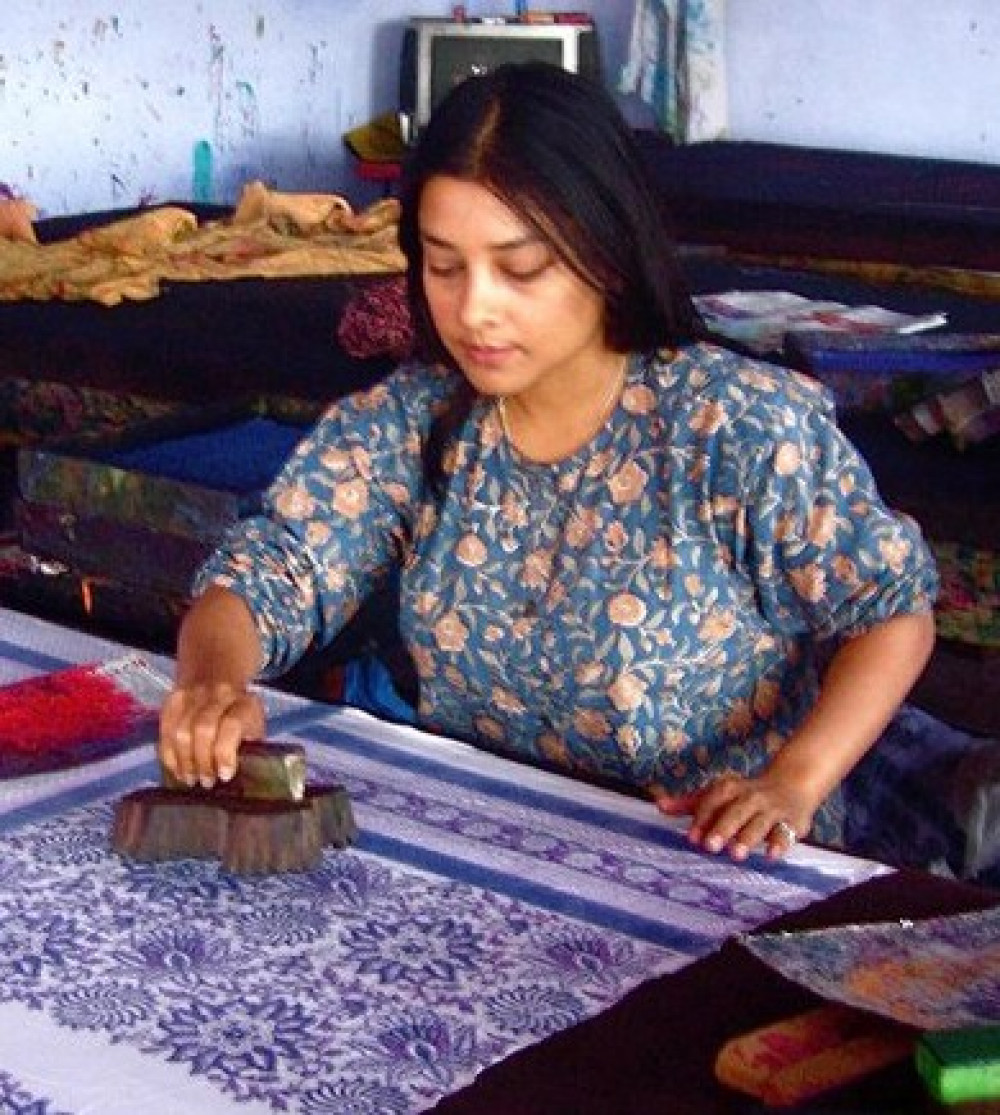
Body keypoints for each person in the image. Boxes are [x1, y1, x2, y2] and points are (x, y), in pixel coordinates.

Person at [159, 62, 937, 862]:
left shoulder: (731, 427)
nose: (474, 308)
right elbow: (265, 573)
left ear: (604, 251)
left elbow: (891, 612)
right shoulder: (417, 422)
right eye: (444, 264)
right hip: (502, 851)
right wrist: (213, 679)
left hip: (716, 867)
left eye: (520, 267)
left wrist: (795, 780)